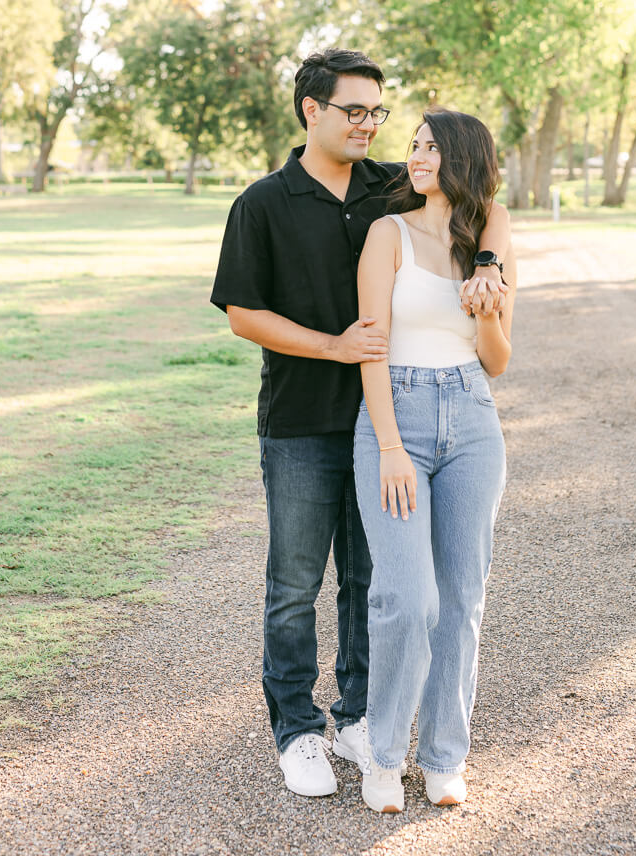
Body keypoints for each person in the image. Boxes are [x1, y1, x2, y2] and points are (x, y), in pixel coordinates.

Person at [211, 50, 511, 798]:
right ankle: (298, 730)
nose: (372, 126)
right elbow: (243, 314)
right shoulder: (263, 203)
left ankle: (356, 717)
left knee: (373, 581)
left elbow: (483, 201)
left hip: (392, 418)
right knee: (294, 581)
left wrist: (493, 263)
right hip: (307, 418)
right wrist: (333, 346)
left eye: (379, 112)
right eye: (356, 112)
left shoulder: (390, 183)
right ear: (312, 110)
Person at [353, 106, 515, 814]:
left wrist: (486, 308)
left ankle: (446, 758)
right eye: (412, 146)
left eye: (429, 147)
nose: (416, 156)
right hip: (399, 419)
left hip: (474, 419)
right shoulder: (386, 234)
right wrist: (389, 445)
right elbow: (372, 346)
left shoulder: (485, 241)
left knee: (461, 599)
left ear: (460, 158)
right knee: (406, 598)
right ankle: (384, 756)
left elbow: (500, 362)